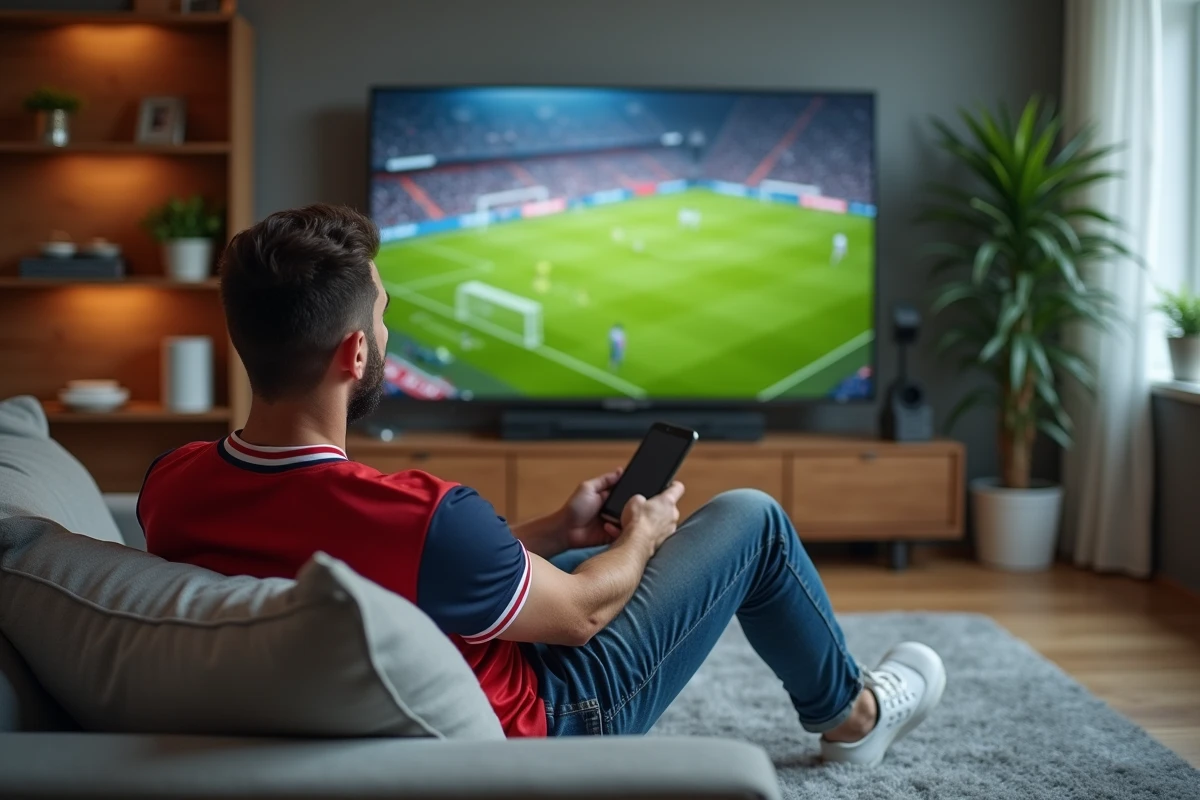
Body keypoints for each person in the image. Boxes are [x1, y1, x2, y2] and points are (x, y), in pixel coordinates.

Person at [138, 205, 945, 766]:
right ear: (354, 356)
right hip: (557, 720)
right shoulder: (425, 515)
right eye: (382, 316)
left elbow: (383, 572)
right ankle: (855, 714)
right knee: (752, 518)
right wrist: (644, 532)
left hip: (372, 699)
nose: (388, 331)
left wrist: (557, 530)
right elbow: (583, 615)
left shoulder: (168, 487)